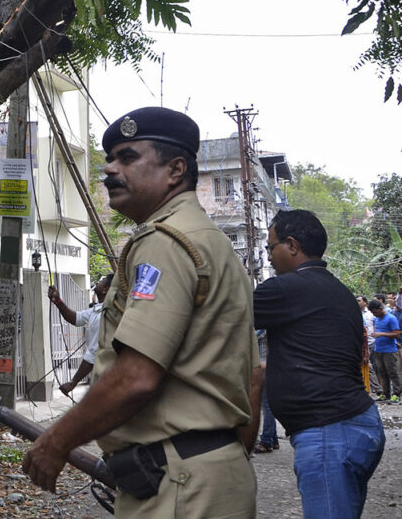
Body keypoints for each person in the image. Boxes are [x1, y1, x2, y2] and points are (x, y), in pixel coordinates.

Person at [21, 107, 259, 517]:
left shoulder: (165, 242)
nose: (110, 170)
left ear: (175, 169)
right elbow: (253, 375)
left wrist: (55, 440)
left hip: (178, 483)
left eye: (128, 157)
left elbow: (136, 377)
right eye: (110, 158)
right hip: (203, 471)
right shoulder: (208, 240)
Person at [253, 209, 384, 516]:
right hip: (357, 426)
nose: (269, 257)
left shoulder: (283, 289)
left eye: (271, 247)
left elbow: (219, 316)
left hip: (329, 433)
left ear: (292, 245)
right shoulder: (339, 292)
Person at [47, 274, 113, 396]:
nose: (98, 282)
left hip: (108, 376)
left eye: (102, 281)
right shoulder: (96, 311)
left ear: (106, 289)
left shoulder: (105, 315)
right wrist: (58, 301)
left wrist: (73, 383)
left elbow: (93, 353)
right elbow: (75, 318)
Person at [368, 298, 402, 401]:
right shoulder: (376, 319)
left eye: (375, 312)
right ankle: (386, 394)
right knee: (382, 373)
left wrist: (382, 334)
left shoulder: (391, 318)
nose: (374, 314)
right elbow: (376, 329)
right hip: (378, 349)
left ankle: (396, 394)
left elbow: (397, 334)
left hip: (389, 350)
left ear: (380, 308)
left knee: (392, 372)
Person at [252, 329, 279, 454]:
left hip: (263, 367)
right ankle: (273, 440)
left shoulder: (261, 328)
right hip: (268, 366)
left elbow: (252, 335)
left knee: (266, 405)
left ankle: (266, 441)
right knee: (267, 404)